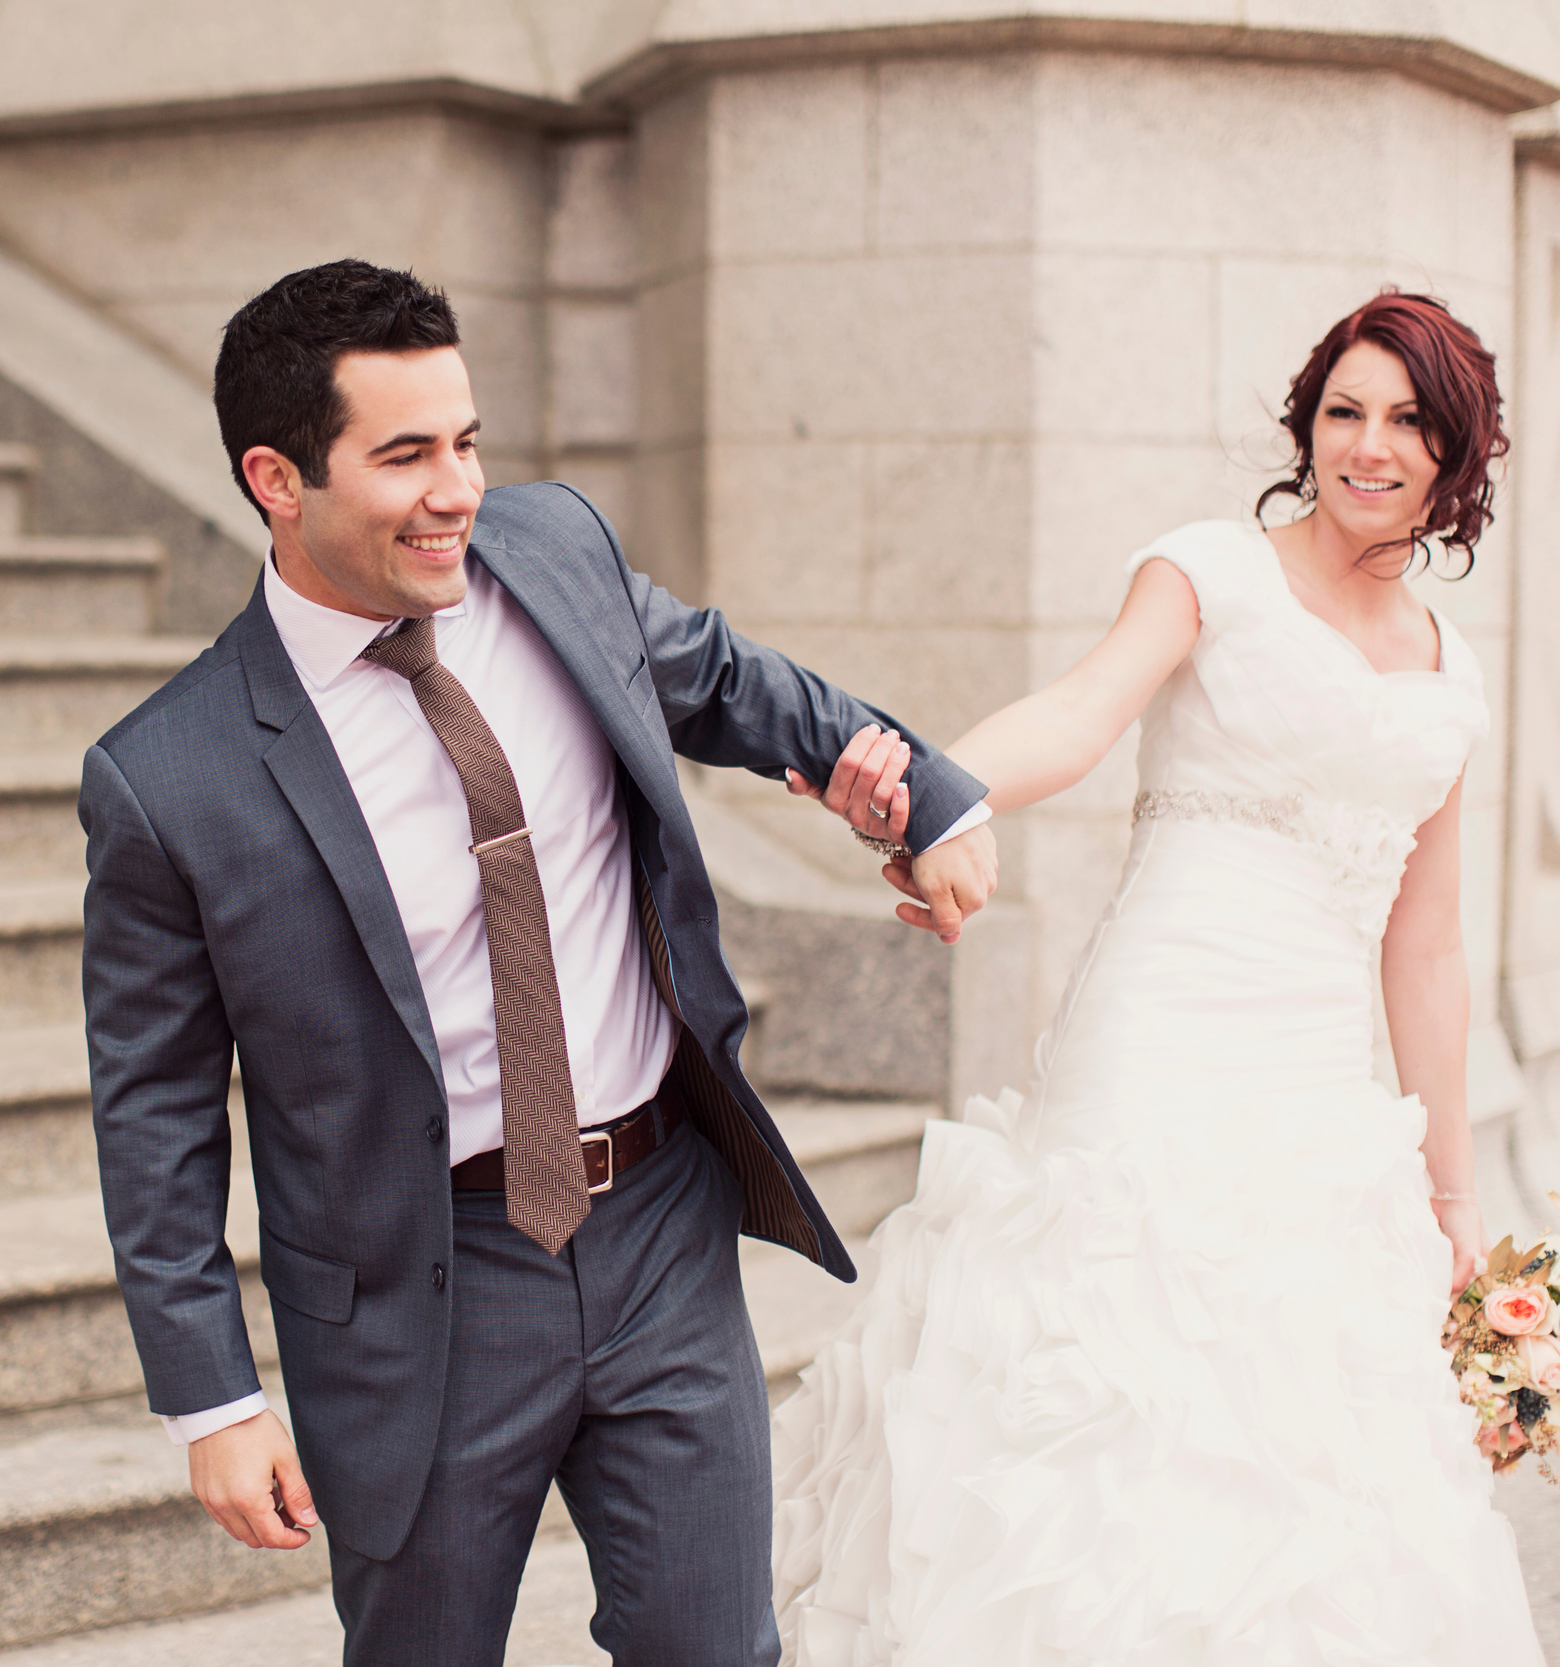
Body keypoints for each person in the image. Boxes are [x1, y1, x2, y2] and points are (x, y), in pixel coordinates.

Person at [77, 258, 998, 1667]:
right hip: (419, 1294)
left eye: (466, 440)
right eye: (403, 456)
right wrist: (211, 1400)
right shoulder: (170, 779)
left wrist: (920, 793)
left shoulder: (553, 551)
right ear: (277, 477)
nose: (458, 489)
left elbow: (730, 682)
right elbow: (154, 1114)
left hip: (660, 1234)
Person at [768, 290, 1549, 1664]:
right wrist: (928, 791)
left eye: (1408, 421)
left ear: (1457, 451)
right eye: (1344, 413)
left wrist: (1455, 1196)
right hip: (1157, 1037)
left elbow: (1424, 945)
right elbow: (1074, 717)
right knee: (1105, 1392)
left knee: (1308, 1447)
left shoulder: (1452, 675)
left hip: (1318, 1084)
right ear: (1307, 429)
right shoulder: (1212, 571)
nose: (1369, 447)